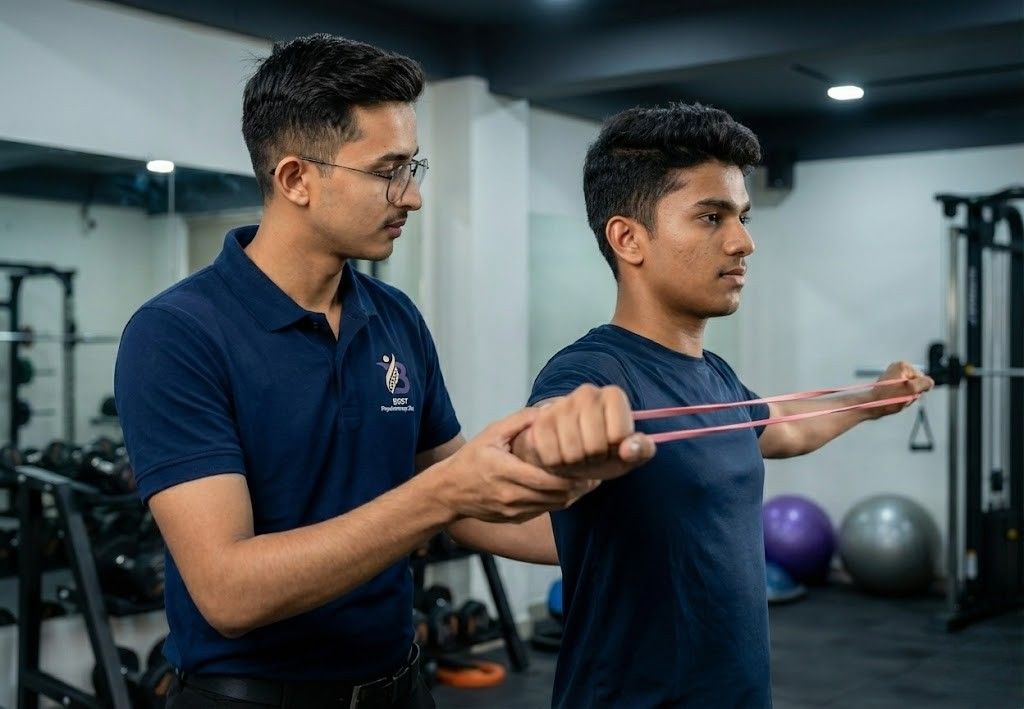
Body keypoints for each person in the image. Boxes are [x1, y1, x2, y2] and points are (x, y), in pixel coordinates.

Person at [114, 34, 654, 709]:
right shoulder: (177, 334)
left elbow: (468, 508)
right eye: (387, 171)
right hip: (249, 697)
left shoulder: (393, 315)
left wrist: (618, 529)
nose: (412, 197)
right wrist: (444, 493)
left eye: (413, 168)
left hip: (400, 686)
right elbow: (229, 590)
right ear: (295, 179)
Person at [523, 103, 935, 708]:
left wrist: (870, 402)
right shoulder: (591, 373)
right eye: (711, 217)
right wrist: (557, 442)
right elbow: (547, 443)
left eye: (741, 216)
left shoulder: (713, 375)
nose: (744, 242)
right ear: (628, 238)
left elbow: (784, 433)